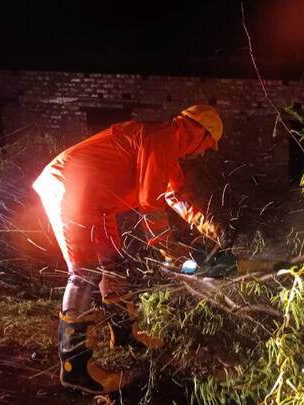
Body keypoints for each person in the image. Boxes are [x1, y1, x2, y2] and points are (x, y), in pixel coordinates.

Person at [32, 104, 223, 394]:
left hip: (98, 204)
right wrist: (166, 246)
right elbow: (150, 203)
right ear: (198, 130)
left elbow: (174, 194)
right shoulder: (161, 138)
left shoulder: (165, 146)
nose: (203, 152)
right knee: (84, 274)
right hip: (71, 189)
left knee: (114, 264)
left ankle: (123, 334)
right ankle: (75, 368)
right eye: (207, 145)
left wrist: (206, 224)